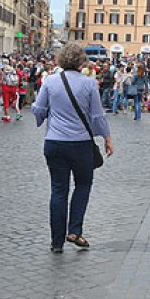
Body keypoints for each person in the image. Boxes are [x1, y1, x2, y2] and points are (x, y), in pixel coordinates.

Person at [32, 42, 113, 253]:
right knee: (83, 184)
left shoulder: (50, 81)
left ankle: (56, 242)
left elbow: (39, 109)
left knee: (58, 190)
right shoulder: (89, 84)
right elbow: (97, 115)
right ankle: (75, 230)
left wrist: (43, 116)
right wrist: (107, 137)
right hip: (80, 144)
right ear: (81, 62)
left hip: (55, 142)